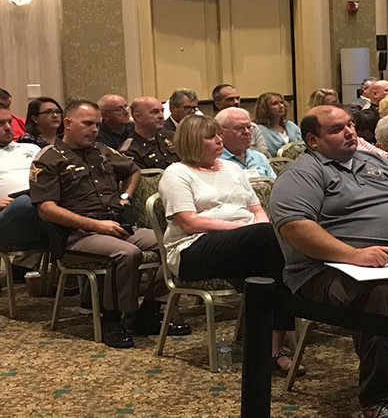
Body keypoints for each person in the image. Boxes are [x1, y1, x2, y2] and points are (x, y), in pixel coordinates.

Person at [269, 105, 388, 418]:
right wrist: (353, 255)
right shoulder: (303, 173)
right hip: (328, 268)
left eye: (351, 125)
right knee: (377, 291)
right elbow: (294, 227)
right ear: (313, 140)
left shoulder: (373, 162)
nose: (350, 132)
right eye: (337, 129)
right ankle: (380, 399)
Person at [30, 100, 189, 348]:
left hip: (117, 226)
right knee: (126, 253)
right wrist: (97, 226)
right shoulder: (48, 159)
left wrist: (124, 197)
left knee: (171, 242)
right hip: (77, 235)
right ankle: (112, 319)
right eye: (87, 124)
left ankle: (149, 312)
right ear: (68, 123)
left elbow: (133, 170)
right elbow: (46, 209)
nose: (94, 129)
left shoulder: (101, 151)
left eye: (97, 124)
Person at [159, 114, 297, 373]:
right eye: (211, 136)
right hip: (194, 249)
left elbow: (257, 208)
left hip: (245, 243)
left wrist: (256, 229)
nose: (219, 140)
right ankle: (272, 348)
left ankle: (272, 347)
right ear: (192, 141)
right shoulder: (177, 173)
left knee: (276, 266)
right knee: (271, 241)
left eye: (218, 134)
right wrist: (246, 230)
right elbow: (189, 222)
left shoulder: (232, 169)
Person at [0, 103, 47, 258]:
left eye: (9, 122)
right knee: (24, 203)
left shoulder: (31, 148)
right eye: (1, 123)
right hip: (11, 213)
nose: (8, 128)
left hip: (42, 202)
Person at [119, 96, 180, 169]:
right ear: (138, 117)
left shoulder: (171, 136)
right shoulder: (130, 150)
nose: (161, 116)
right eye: (155, 112)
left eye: (162, 111)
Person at [215, 107, 276, 178]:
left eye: (249, 127)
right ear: (221, 132)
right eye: (240, 128)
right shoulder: (216, 161)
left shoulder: (259, 157)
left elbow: (275, 185)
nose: (247, 132)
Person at [211, 83, 269, 156]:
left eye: (237, 98)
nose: (236, 102)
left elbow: (264, 152)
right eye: (230, 99)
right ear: (217, 104)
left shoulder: (252, 126)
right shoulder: (212, 128)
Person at [254, 92, 302, 157]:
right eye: (275, 103)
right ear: (265, 108)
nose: (281, 106)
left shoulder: (291, 125)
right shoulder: (259, 129)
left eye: (282, 102)